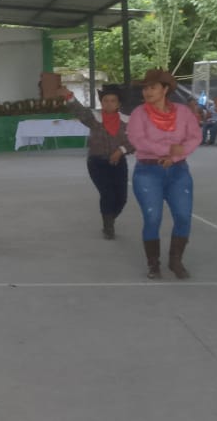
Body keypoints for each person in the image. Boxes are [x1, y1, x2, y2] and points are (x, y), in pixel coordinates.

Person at [127, 69, 202, 280]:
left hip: (178, 171)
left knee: (183, 216)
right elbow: (138, 140)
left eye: (153, 87)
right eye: (145, 88)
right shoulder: (138, 114)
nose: (147, 92)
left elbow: (194, 137)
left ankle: (175, 260)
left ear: (165, 89)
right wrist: (168, 150)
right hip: (148, 171)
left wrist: (175, 156)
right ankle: (153, 263)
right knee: (153, 217)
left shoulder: (183, 112)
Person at [58, 84, 134, 239]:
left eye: (113, 101)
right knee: (107, 194)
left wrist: (121, 150)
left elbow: (135, 141)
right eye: (105, 100)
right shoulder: (94, 118)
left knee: (121, 198)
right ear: (101, 102)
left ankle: (110, 217)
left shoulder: (128, 121)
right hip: (97, 163)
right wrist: (69, 96)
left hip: (119, 163)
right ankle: (108, 226)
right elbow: (79, 111)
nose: (109, 104)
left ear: (119, 103)